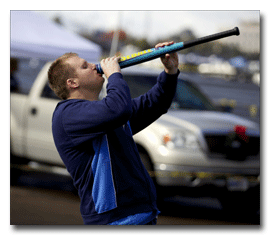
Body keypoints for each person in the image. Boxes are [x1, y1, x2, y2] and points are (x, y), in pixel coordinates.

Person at [48, 41, 180, 225]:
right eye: (85, 66)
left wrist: (170, 72)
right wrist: (114, 74)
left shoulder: (105, 111)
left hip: (141, 215)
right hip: (114, 220)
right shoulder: (67, 114)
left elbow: (155, 103)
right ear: (72, 83)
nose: (95, 66)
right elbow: (118, 109)